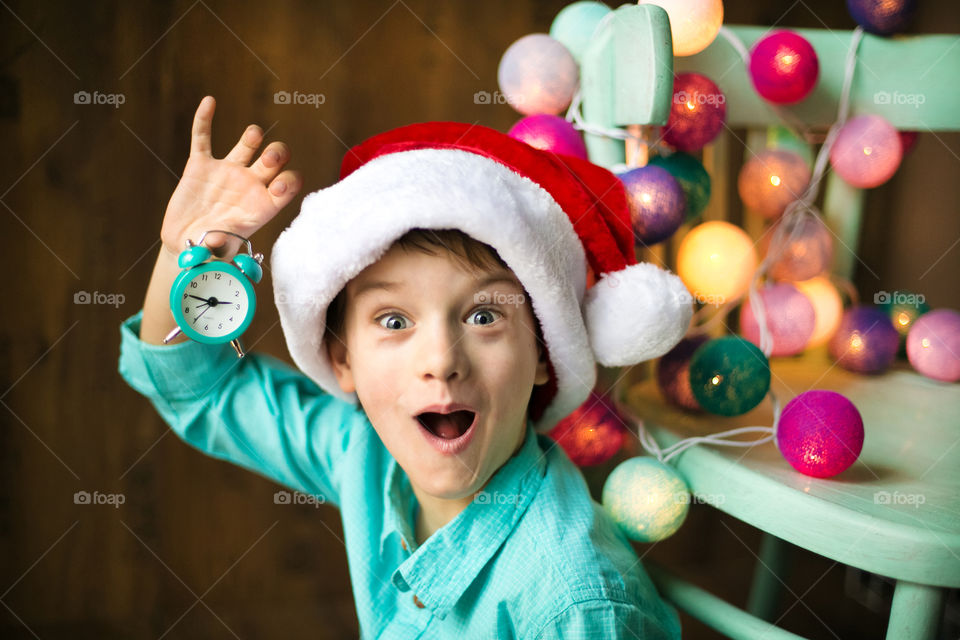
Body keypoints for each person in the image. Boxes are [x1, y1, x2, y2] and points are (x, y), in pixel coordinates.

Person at [119, 95, 692, 638]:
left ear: (544, 352)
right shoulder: (362, 454)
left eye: (484, 316)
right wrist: (181, 256)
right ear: (343, 360)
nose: (441, 362)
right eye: (394, 322)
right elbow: (198, 389)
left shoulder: (577, 607)